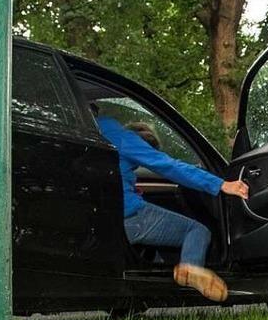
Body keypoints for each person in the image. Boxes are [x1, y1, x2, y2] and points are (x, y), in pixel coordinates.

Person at [95, 114, 248, 302]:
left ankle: (147, 296)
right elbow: (169, 166)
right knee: (197, 230)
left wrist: (128, 182)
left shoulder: (94, 130)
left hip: (97, 215)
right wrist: (221, 184)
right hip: (127, 215)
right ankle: (190, 268)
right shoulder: (125, 138)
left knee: (152, 255)